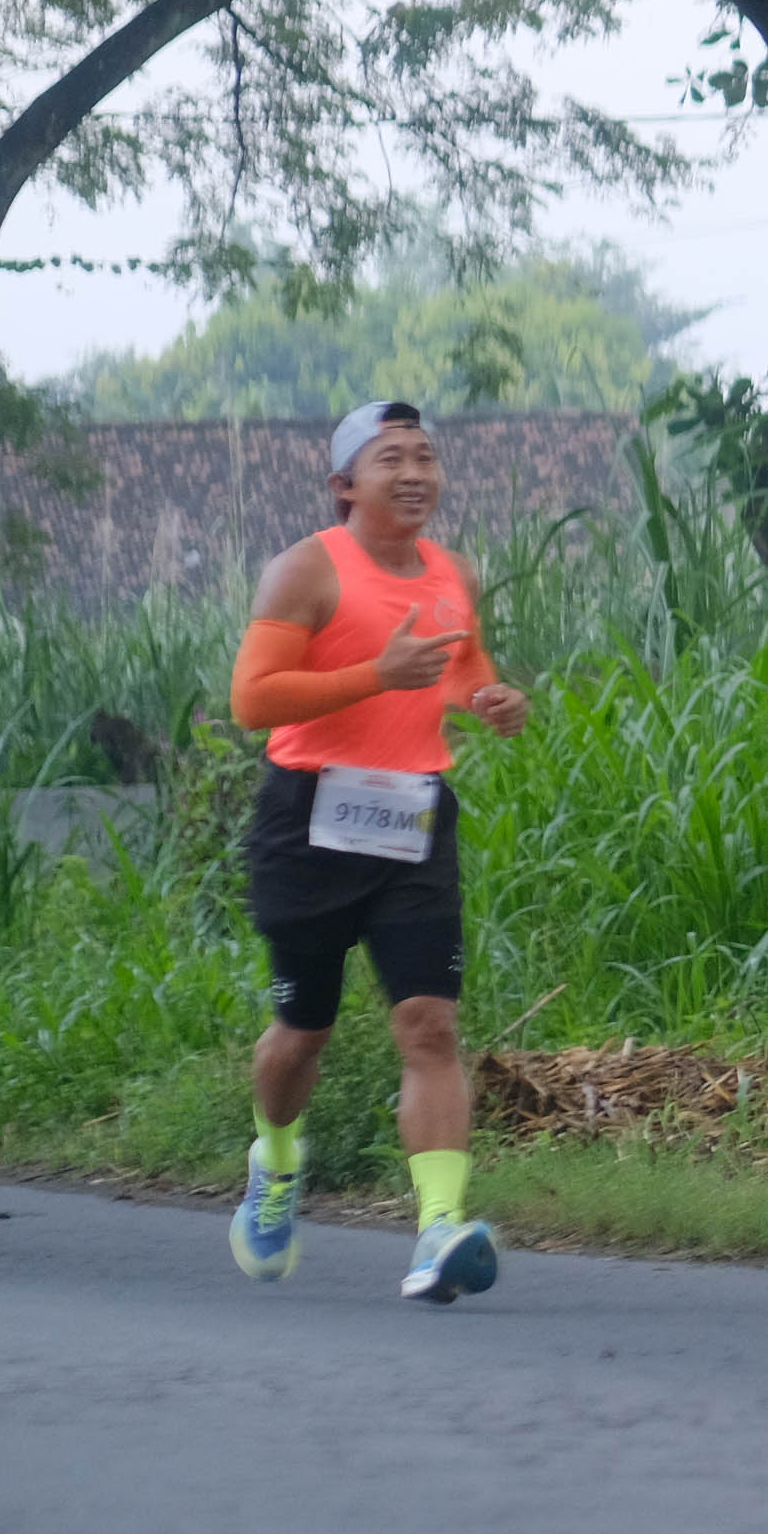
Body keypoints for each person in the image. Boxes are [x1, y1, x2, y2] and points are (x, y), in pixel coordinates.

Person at [223, 400, 530, 1301]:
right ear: (344, 484)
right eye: (391, 458)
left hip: (413, 816)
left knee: (429, 1024)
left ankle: (438, 1229)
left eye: (425, 456)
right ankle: (276, 1160)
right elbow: (252, 700)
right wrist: (373, 676)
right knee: (302, 1030)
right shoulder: (305, 570)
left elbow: (460, 667)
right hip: (308, 820)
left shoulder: (452, 571)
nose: (414, 473)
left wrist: (489, 698)